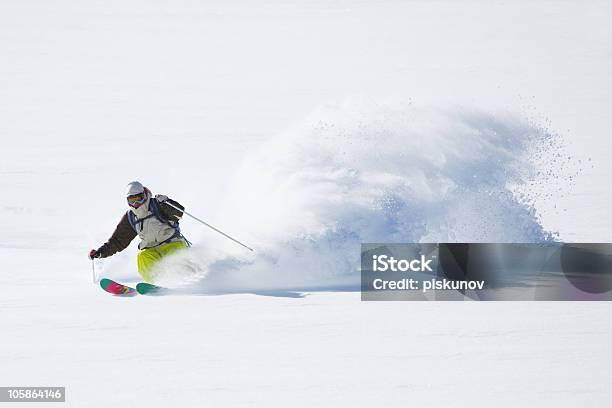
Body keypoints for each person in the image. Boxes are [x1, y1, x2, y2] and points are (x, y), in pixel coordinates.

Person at [88, 181, 190, 282]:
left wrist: (167, 203)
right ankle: (157, 283)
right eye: (132, 200)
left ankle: (185, 279)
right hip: (151, 249)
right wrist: (100, 252)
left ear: (144, 195)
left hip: (172, 243)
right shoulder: (131, 217)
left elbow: (179, 213)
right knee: (142, 257)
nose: (135, 203)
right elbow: (118, 241)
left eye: (138, 198)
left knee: (175, 258)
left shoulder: (157, 205)